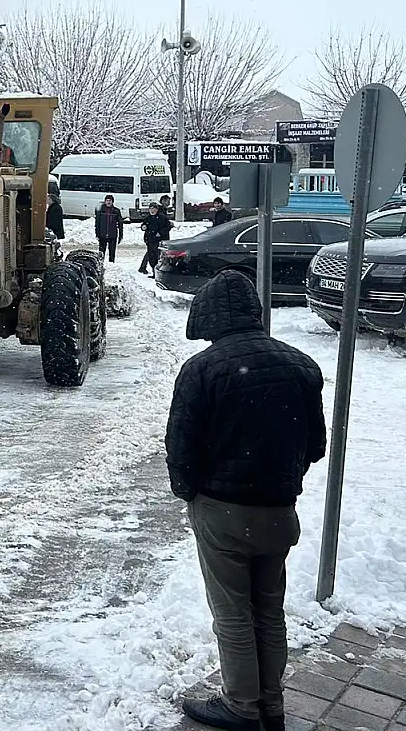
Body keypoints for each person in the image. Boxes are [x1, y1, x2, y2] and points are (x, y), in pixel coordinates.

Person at [167, 271, 326, 731]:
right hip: (279, 512)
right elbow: (315, 445)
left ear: (210, 317)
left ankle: (241, 707)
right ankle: (271, 705)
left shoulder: (202, 371)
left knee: (233, 614)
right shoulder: (301, 365)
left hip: (223, 511)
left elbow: (181, 448)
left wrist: (191, 493)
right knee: (269, 610)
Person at [139, 202, 171, 275]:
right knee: (151, 257)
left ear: (157, 209)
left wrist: (160, 233)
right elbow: (144, 225)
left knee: (159, 257)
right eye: (150, 209)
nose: (151, 210)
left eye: (153, 209)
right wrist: (143, 227)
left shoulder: (162, 218)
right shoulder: (148, 218)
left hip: (160, 241)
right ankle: (154, 272)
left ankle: (158, 273)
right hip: (150, 241)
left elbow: (168, 227)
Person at [95, 194, 124, 263]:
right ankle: (100, 264)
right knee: (101, 253)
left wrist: (120, 235)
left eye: (110, 200)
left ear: (112, 202)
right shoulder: (100, 211)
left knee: (112, 252)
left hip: (112, 235)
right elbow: (97, 223)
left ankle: (111, 264)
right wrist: (97, 234)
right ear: (105, 201)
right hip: (102, 235)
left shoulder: (116, 211)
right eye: (107, 200)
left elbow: (120, 224)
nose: (108, 202)